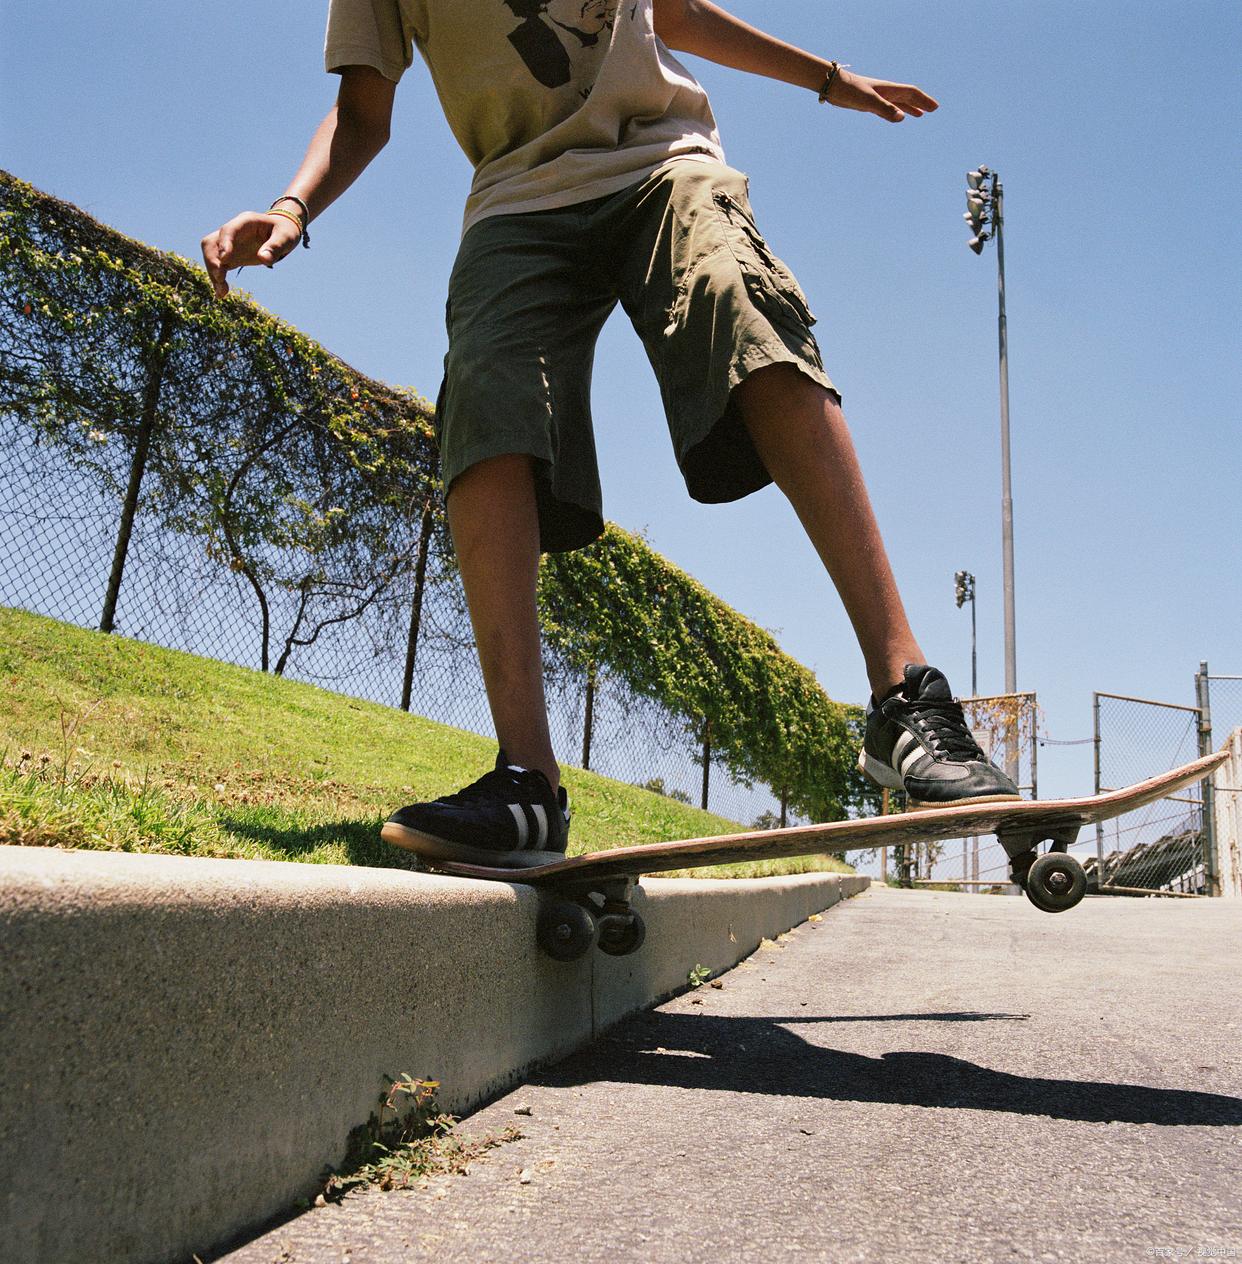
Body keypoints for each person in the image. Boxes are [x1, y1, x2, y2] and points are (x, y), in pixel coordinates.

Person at [201, 0, 1020, 871]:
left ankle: (905, 696)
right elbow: (365, 111)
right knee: (485, 386)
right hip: (516, 197)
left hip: (661, 162)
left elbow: (673, 8)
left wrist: (825, 78)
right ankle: (526, 780)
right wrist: (292, 208)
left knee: (737, 302)